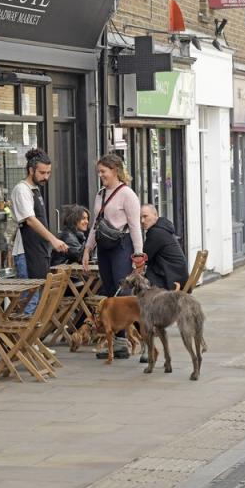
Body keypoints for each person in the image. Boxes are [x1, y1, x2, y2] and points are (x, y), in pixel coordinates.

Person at [83, 154, 144, 359]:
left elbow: (135, 226)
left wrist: (138, 256)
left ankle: (138, 341)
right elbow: (95, 224)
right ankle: (118, 343)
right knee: (110, 294)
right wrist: (87, 249)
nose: (100, 176)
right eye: (99, 172)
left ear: (115, 171)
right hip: (104, 247)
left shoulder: (128, 194)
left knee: (123, 296)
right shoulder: (100, 194)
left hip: (122, 247)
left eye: (103, 172)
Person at [10, 149, 67, 314]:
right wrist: (53, 239)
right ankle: (26, 339)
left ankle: (32, 338)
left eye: (48, 173)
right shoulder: (22, 189)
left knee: (39, 297)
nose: (46, 177)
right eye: (42, 172)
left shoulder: (34, 189)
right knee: (30, 298)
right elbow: (30, 219)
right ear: (31, 170)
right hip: (25, 252)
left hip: (38, 249)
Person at [140, 204, 189, 291]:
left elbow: (145, 257)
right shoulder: (163, 228)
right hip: (178, 276)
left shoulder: (156, 232)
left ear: (155, 214)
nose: (142, 221)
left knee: (138, 285)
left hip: (171, 280)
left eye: (145, 216)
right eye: (140, 217)